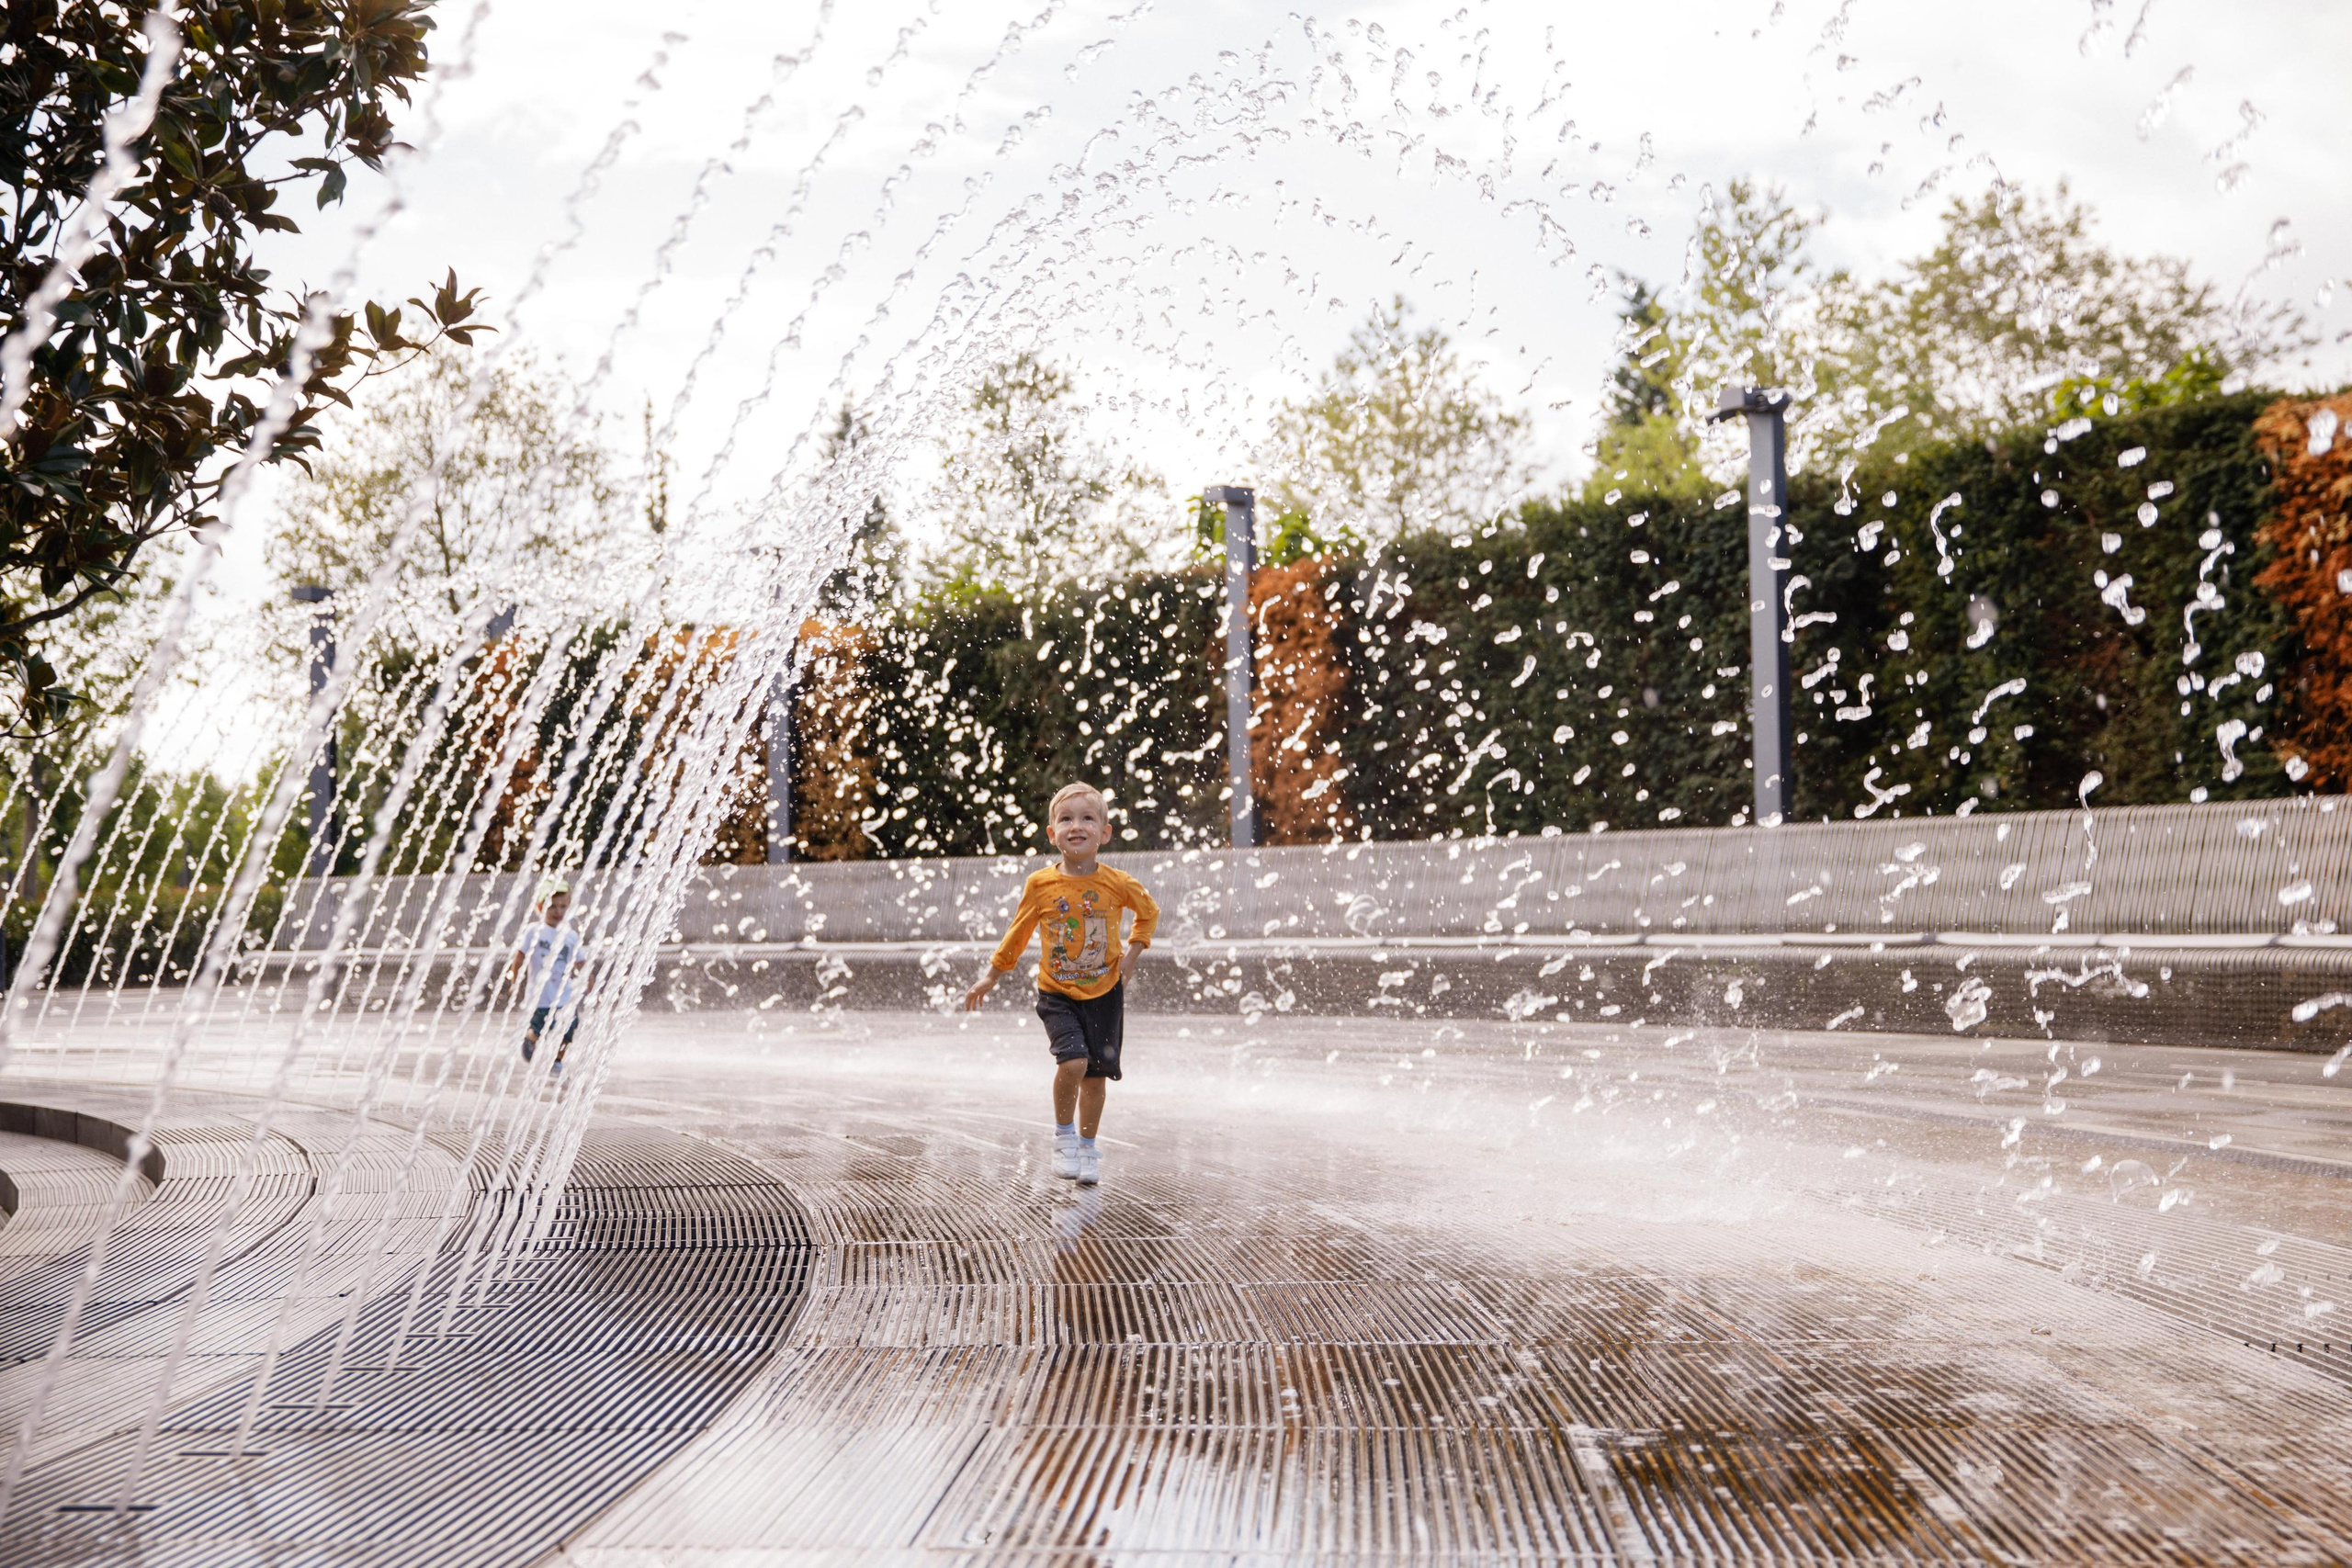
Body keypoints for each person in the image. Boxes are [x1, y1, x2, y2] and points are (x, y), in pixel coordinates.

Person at [964, 783, 1159, 1187]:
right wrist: (992, 975)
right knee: (1073, 1063)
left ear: (1104, 833)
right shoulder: (1041, 885)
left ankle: (1088, 1147)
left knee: (1095, 1077)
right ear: (1051, 834)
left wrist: (1132, 956)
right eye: (1066, 819)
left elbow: (1149, 913)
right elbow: (1017, 933)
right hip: (1057, 994)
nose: (1077, 826)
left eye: (1088, 818)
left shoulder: (1118, 883)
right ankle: (1064, 1137)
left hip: (1106, 993)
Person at [507, 875, 588, 1076]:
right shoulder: (533, 931)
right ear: (541, 906)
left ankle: (557, 1061)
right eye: (553, 906)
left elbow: (581, 962)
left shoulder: (571, 936)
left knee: (568, 1030)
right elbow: (519, 958)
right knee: (541, 1028)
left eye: (563, 906)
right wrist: (514, 981)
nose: (558, 911)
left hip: (565, 995)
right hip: (540, 996)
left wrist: (588, 979)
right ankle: (531, 1038)